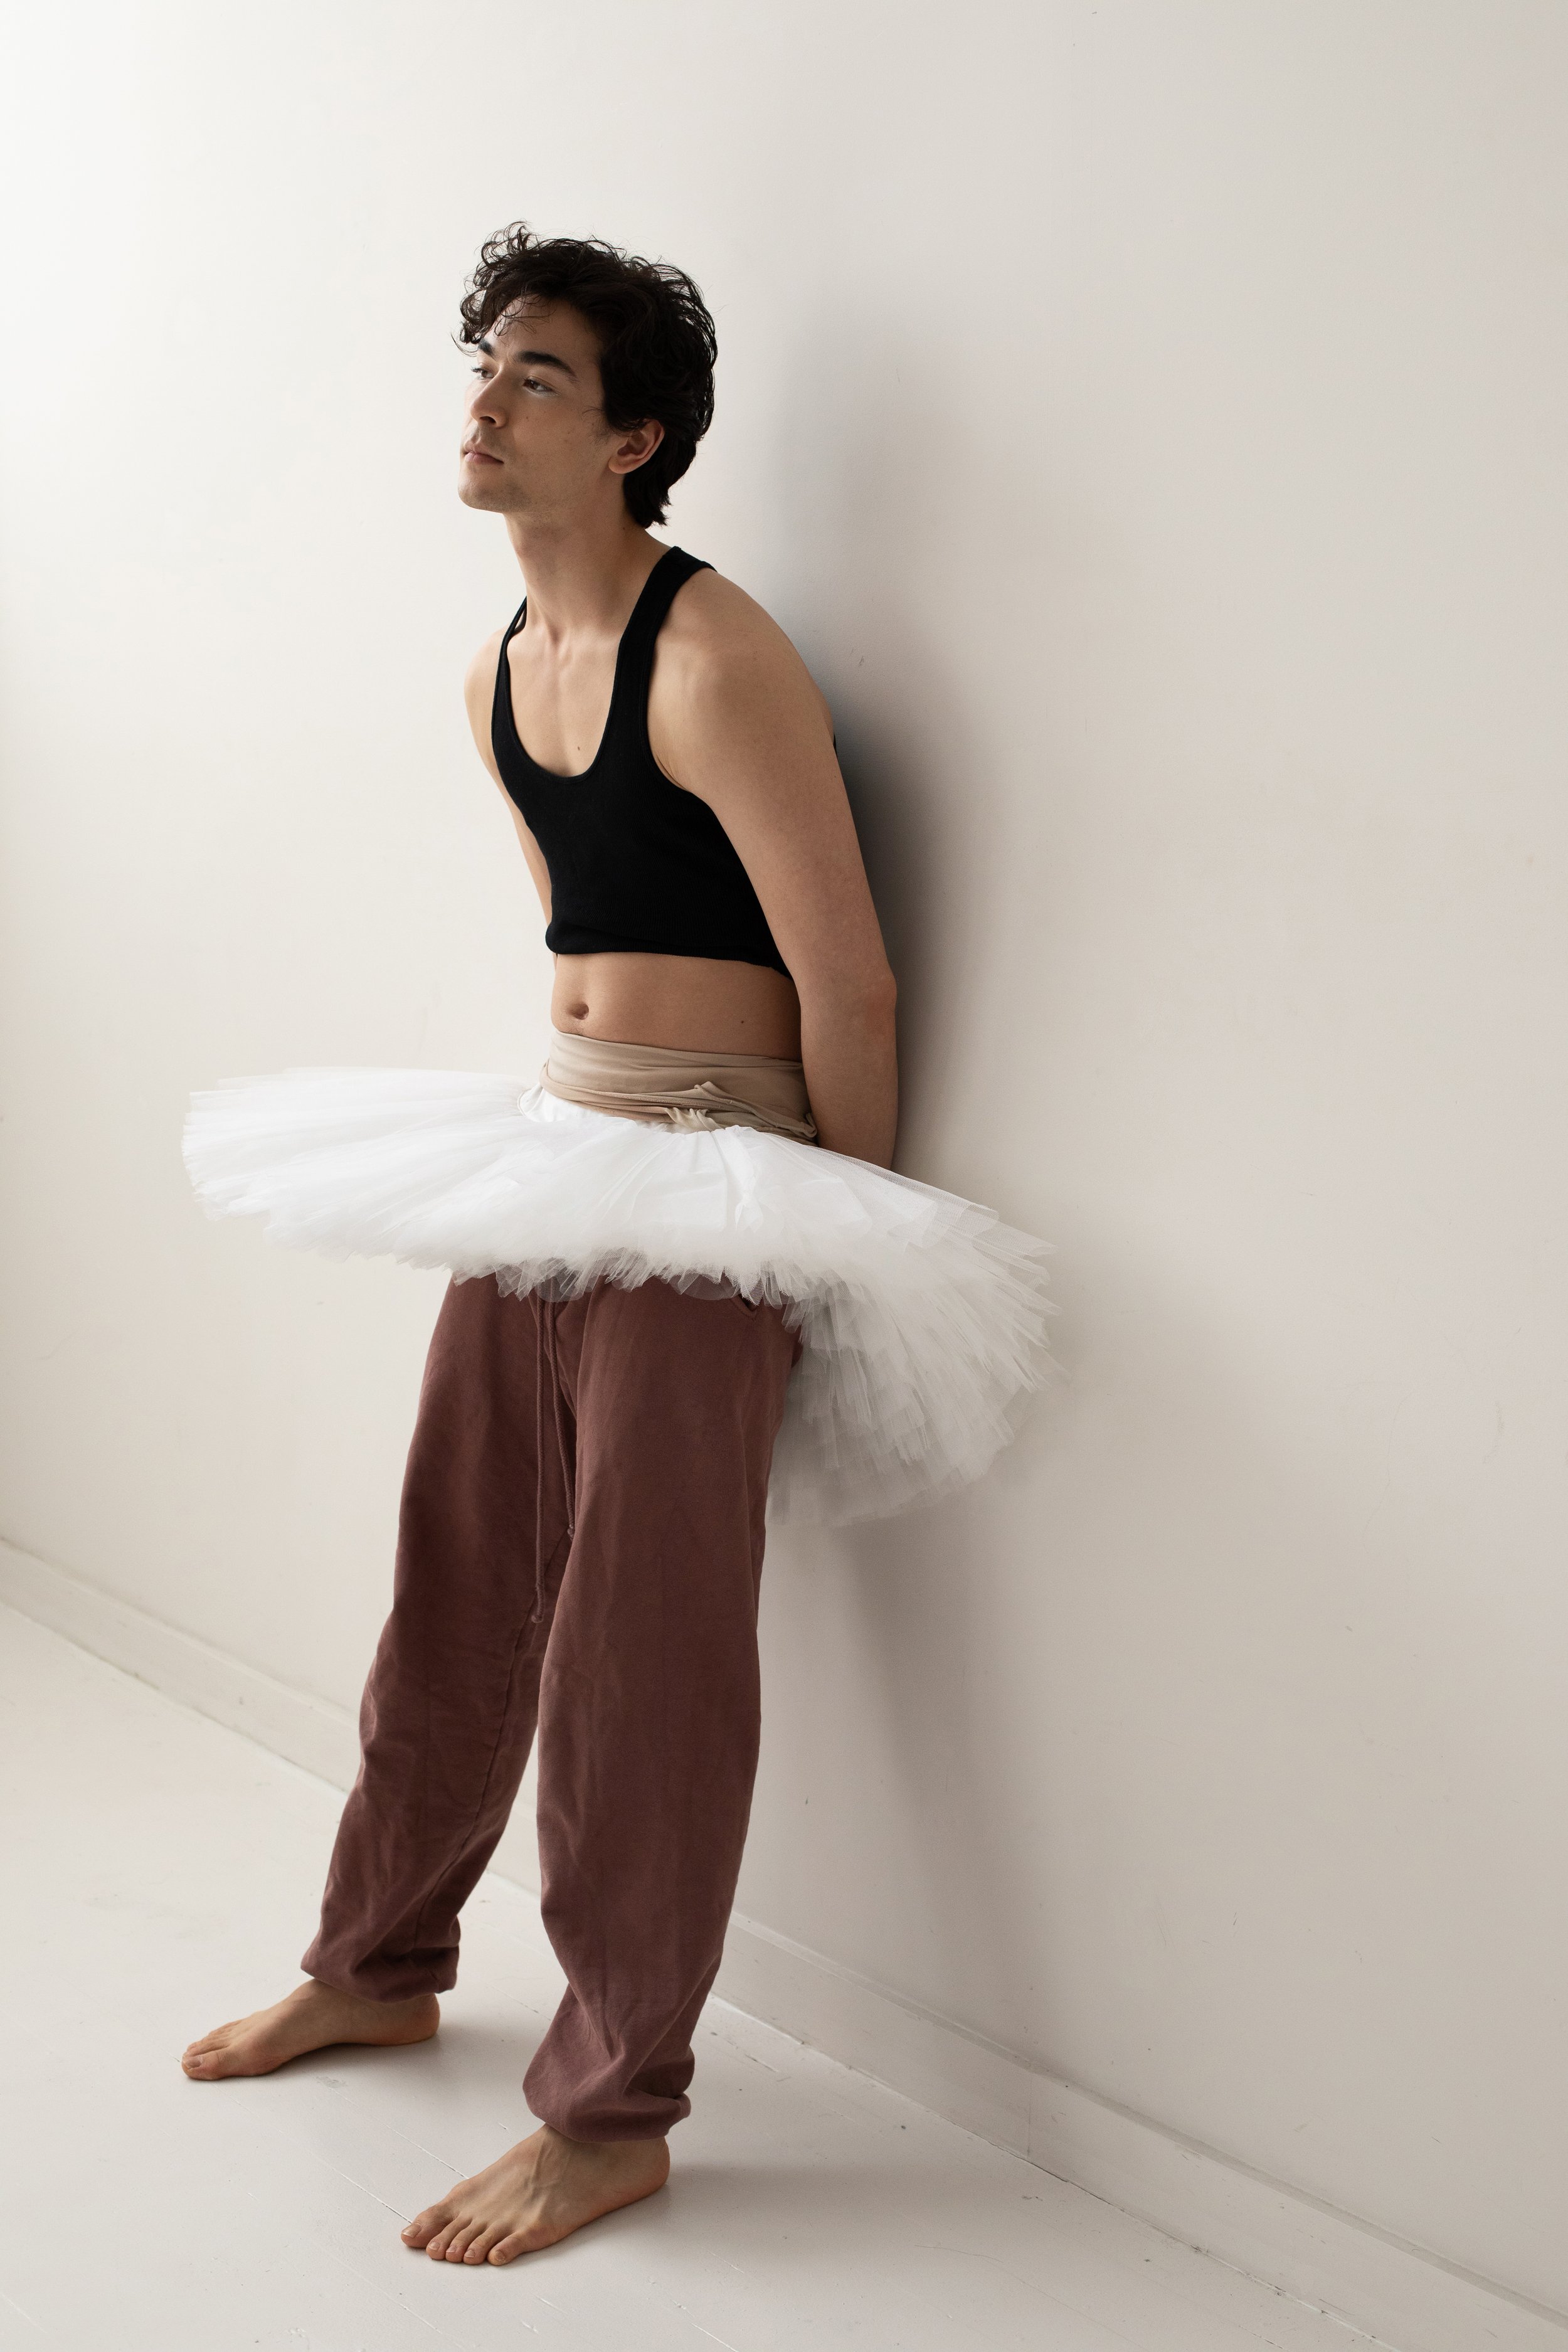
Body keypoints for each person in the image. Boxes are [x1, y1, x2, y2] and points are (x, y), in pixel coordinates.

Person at [177, 224, 1051, 2266]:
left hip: (716, 1188)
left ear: (633, 438)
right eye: (485, 365)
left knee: (637, 1660)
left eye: (539, 378)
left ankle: (611, 2111)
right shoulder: (498, 668)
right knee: (454, 1581)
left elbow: (850, 986)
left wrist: (824, 1254)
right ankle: (378, 1961)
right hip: (558, 1158)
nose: (485, 403)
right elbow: (575, 934)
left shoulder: (718, 656)